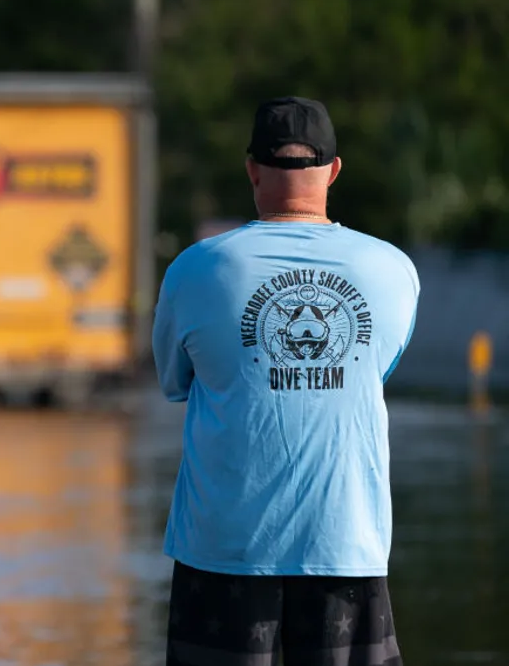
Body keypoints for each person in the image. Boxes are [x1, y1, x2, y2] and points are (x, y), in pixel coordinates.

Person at [152, 96, 420, 666]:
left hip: (223, 554)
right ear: (334, 170)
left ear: (251, 168)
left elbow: (175, 382)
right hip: (345, 550)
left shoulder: (196, 269)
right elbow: (374, 370)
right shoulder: (392, 270)